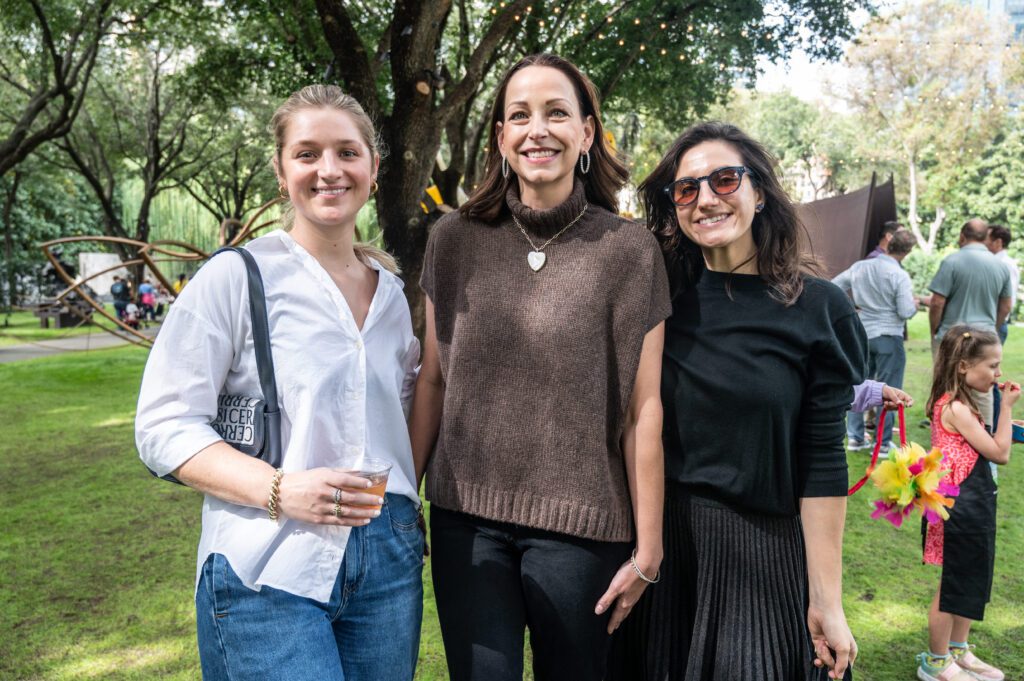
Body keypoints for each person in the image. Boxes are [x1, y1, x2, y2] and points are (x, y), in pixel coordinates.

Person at [135, 85, 423, 681]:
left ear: (373, 167)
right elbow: (162, 424)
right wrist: (278, 488)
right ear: (280, 167)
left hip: (387, 565)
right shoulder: (236, 277)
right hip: (267, 563)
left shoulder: (393, 295)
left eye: (348, 152)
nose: (329, 170)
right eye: (307, 153)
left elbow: (403, 417)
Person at [409, 54, 670, 680]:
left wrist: (649, 550)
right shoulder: (453, 239)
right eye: (519, 115)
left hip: (583, 529)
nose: (537, 129)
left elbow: (644, 410)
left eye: (557, 112)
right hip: (464, 523)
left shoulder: (628, 250)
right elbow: (433, 380)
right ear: (501, 137)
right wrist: (402, 499)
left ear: (587, 134)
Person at [608, 122, 867, 681]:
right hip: (659, 552)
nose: (706, 199)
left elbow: (823, 462)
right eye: (687, 189)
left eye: (725, 180)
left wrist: (828, 599)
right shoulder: (659, 300)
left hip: (762, 554)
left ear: (760, 191)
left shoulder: (818, 309)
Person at [917, 325, 1019, 681]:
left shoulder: (961, 404)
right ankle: (935, 662)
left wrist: (1008, 426)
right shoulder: (956, 407)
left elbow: (984, 446)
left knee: (972, 575)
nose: (998, 373)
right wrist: (1006, 409)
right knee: (954, 582)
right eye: (992, 365)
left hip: (974, 503)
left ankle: (958, 650)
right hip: (957, 509)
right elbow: (998, 453)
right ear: (963, 365)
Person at [833, 229, 919, 452]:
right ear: (908, 251)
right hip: (889, 335)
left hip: (862, 334)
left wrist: (851, 308)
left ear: (888, 243)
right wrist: (916, 304)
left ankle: (855, 437)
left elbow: (833, 287)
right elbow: (905, 310)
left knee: (858, 384)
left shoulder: (860, 266)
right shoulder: (899, 275)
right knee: (890, 390)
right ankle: (881, 444)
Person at [928, 219, 1012, 428]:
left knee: (946, 390)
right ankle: (985, 445)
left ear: (962, 236)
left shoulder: (952, 261)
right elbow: (1006, 306)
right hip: (985, 338)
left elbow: (937, 302)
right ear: (985, 237)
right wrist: (992, 327)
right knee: (983, 393)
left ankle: (945, 442)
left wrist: (934, 328)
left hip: (952, 336)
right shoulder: (1000, 266)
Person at [984, 224, 1019, 344]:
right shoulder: (991, 261)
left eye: (986, 238)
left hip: (994, 324)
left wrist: (994, 328)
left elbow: (1007, 303)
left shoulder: (1006, 265)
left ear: (998, 242)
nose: (982, 241)